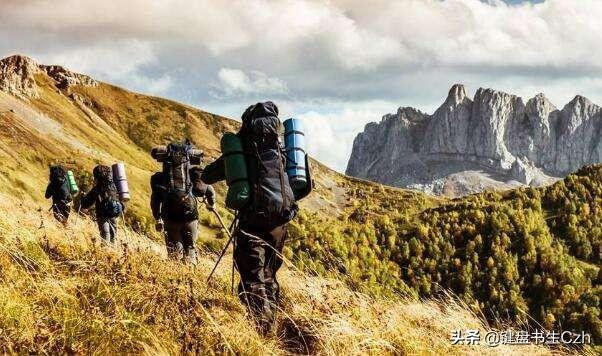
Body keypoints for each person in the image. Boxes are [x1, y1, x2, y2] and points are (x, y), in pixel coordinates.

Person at [202, 101, 311, 335]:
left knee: (252, 278)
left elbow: (210, 175)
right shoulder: (283, 148)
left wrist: (202, 173)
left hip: (253, 221)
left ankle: (262, 334)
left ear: (247, 123)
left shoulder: (242, 147)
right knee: (270, 275)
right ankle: (272, 324)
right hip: (281, 221)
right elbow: (303, 185)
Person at [150, 142, 215, 265]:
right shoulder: (193, 176)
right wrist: (211, 204)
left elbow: (155, 201)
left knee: (174, 253)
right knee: (190, 248)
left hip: (170, 218)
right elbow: (209, 190)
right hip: (190, 217)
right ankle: (191, 277)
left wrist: (158, 218)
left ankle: (176, 278)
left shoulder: (159, 178)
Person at [80, 165, 125, 245]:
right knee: (113, 235)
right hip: (114, 214)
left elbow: (87, 202)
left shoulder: (98, 188)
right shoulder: (113, 185)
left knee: (105, 234)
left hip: (102, 215)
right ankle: (112, 253)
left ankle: (105, 251)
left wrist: (83, 201)